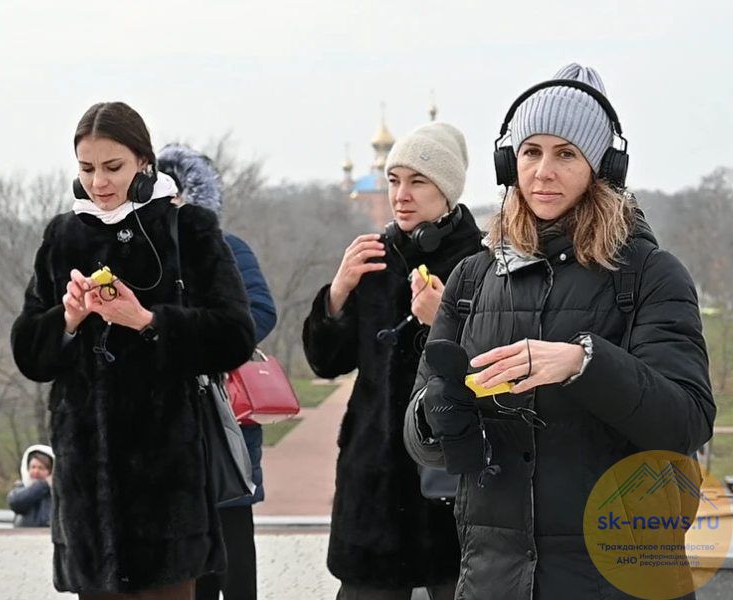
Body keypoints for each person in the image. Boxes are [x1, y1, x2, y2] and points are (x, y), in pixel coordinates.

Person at [405, 64, 716, 599]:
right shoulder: (472, 278)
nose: (543, 172)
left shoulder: (650, 275)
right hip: (493, 582)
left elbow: (686, 421)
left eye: (566, 154)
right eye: (531, 152)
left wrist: (585, 364)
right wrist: (438, 414)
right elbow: (420, 440)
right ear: (509, 162)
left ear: (601, 167)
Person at [10, 102, 255, 600]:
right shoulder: (62, 236)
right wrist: (69, 319)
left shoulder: (190, 229)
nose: (99, 182)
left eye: (113, 167)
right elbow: (29, 355)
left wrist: (146, 322)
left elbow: (236, 336)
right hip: (87, 496)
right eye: (87, 168)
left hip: (168, 491)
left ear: (145, 163)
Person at [303, 122, 483, 599]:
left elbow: (495, 373)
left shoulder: (484, 265)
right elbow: (325, 362)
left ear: (446, 189)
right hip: (373, 490)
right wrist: (338, 293)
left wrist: (440, 321)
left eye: (417, 181)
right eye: (393, 180)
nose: (401, 195)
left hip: (452, 491)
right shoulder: (374, 259)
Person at [158, 143, 278, 600]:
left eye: (179, 195)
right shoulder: (142, 257)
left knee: (233, 553)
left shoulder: (228, 247)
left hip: (220, 415)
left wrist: (200, 339)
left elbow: (260, 314)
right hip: (164, 424)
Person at [7, 444, 55, 528]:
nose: (36, 471)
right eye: (33, 467)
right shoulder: (21, 487)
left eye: (41, 468)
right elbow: (15, 502)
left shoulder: (58, 492)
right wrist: (43, 485)